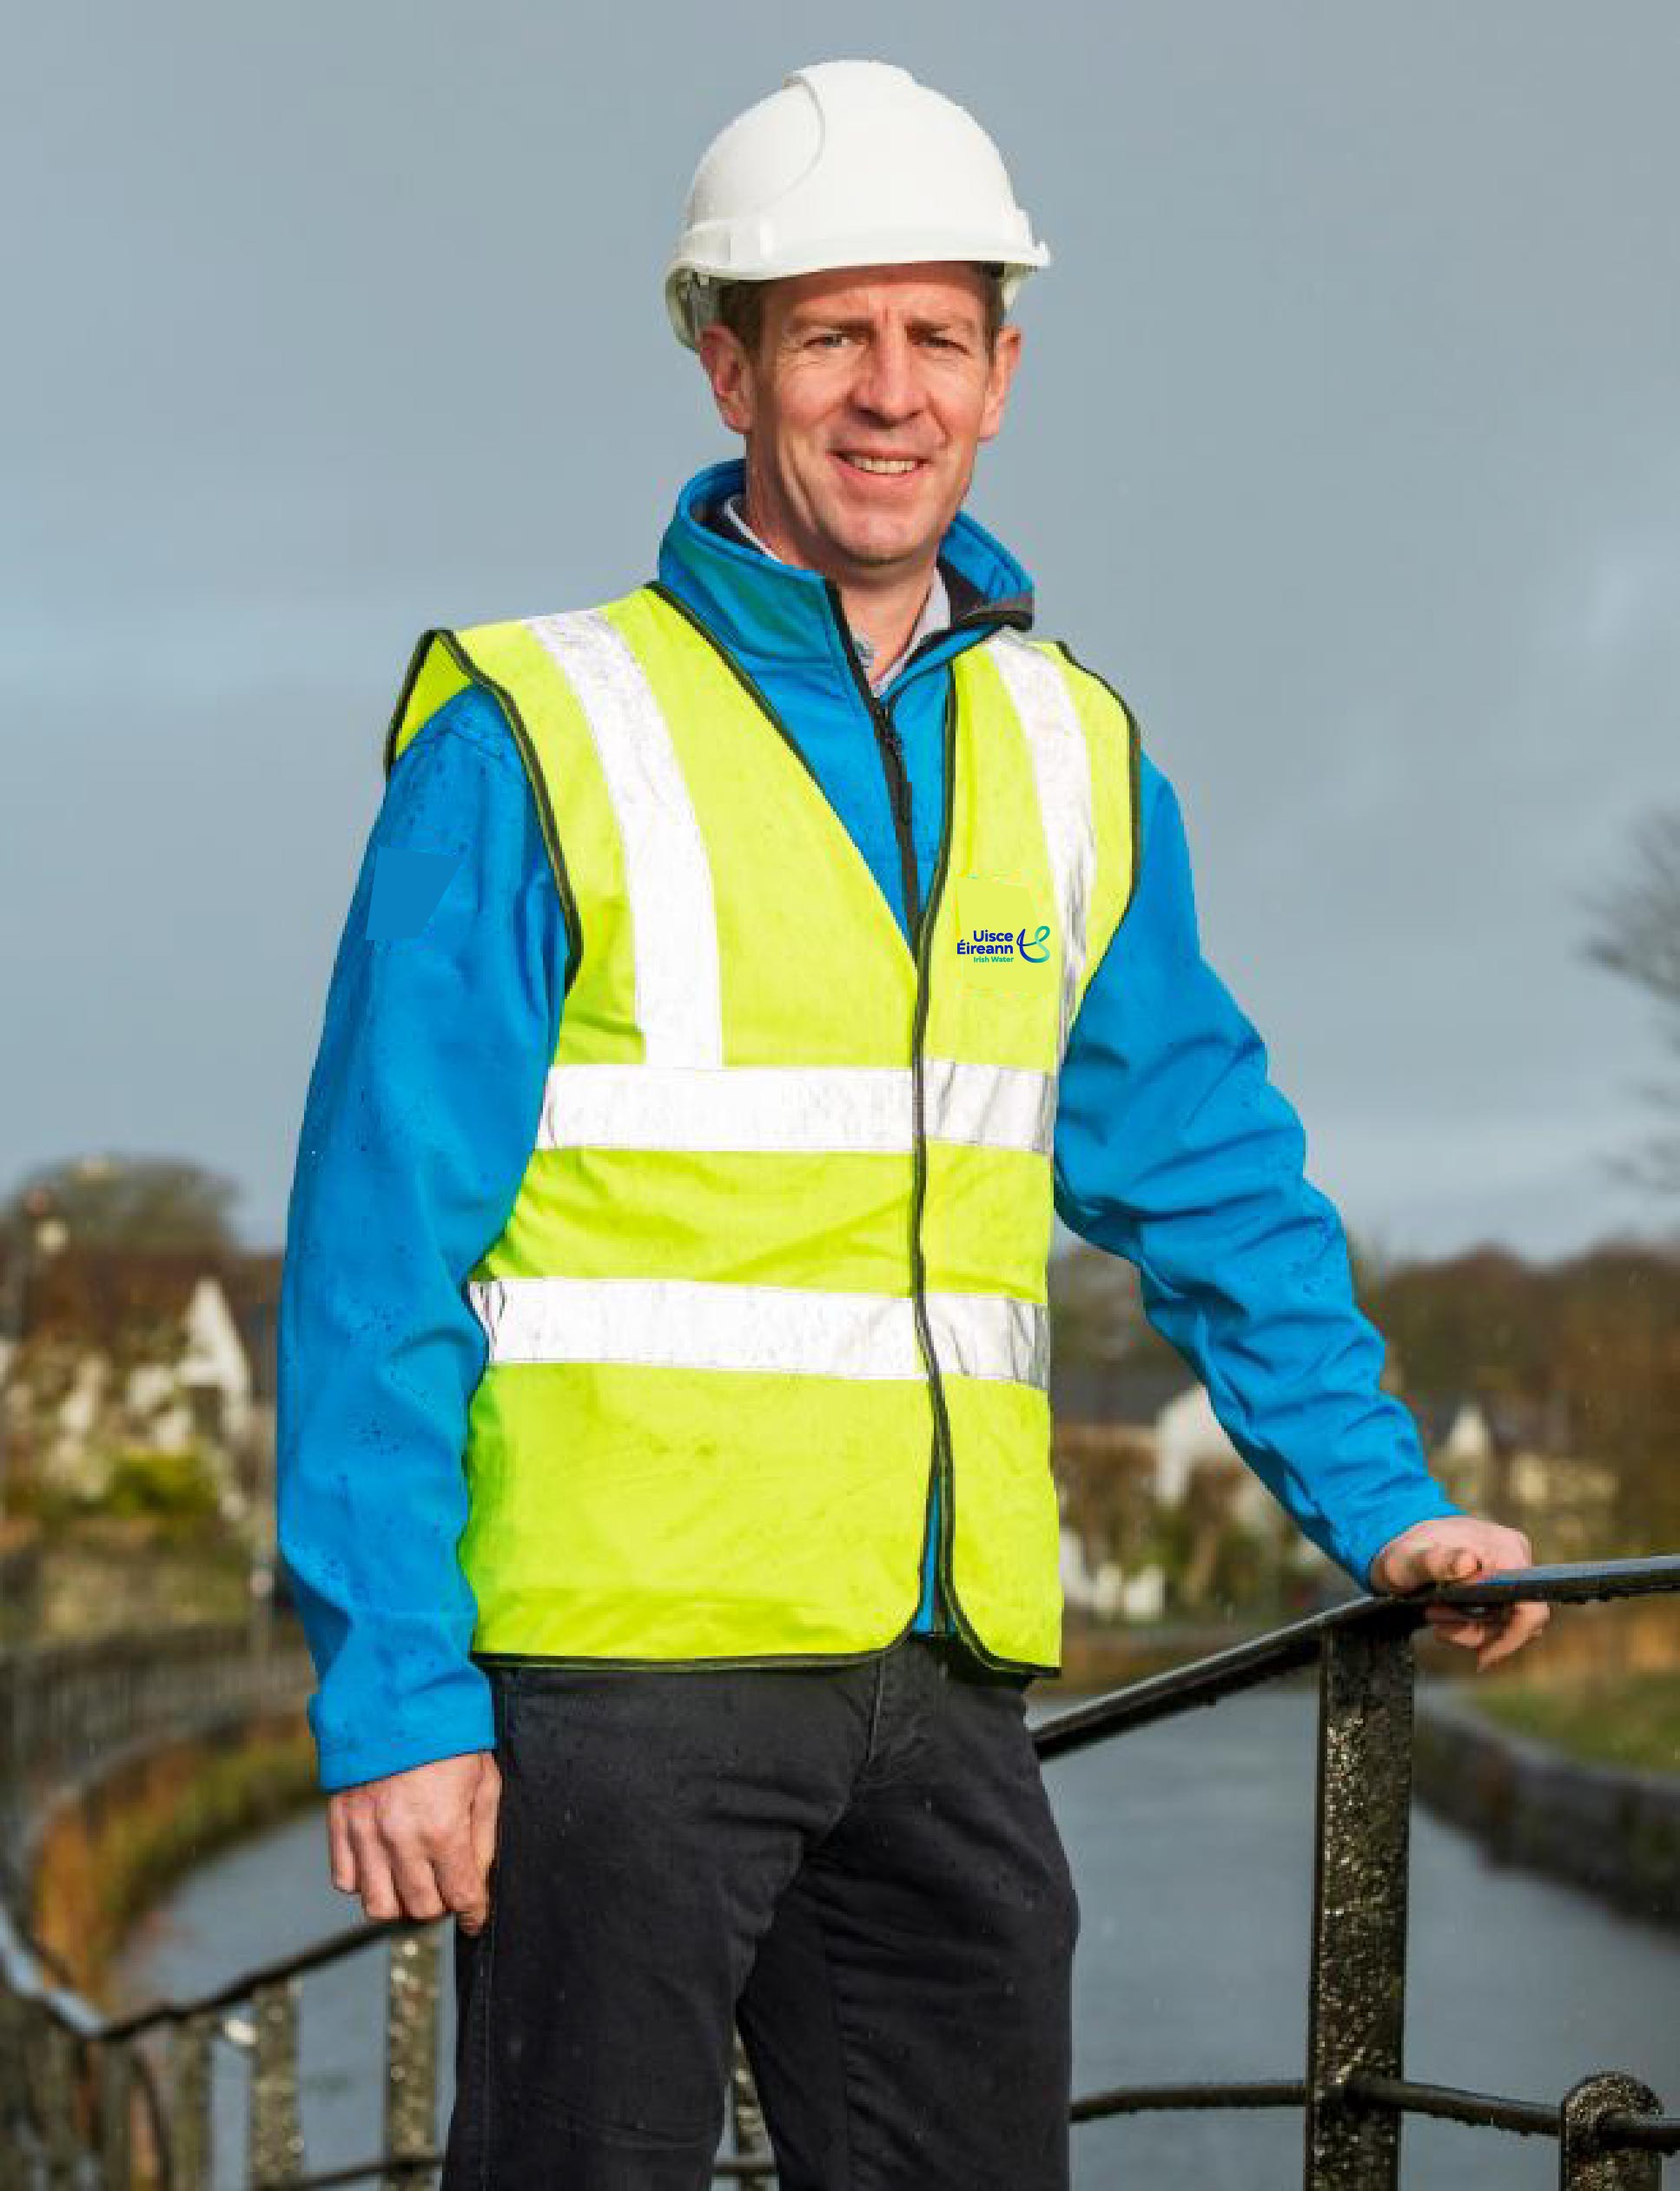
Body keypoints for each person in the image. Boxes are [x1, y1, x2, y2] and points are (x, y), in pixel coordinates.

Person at [276, 59, 1549, 2190]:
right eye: (831, 333)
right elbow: (377, 1239)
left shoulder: (1071, 747)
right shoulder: (536, 728)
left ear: (1003, 371)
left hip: (940, 1682)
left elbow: (1204, 1164)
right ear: (726, 363)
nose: (891, 392)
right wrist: (397, 1686)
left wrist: (1383, 1500)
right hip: (617, 1677)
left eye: (938, 337)